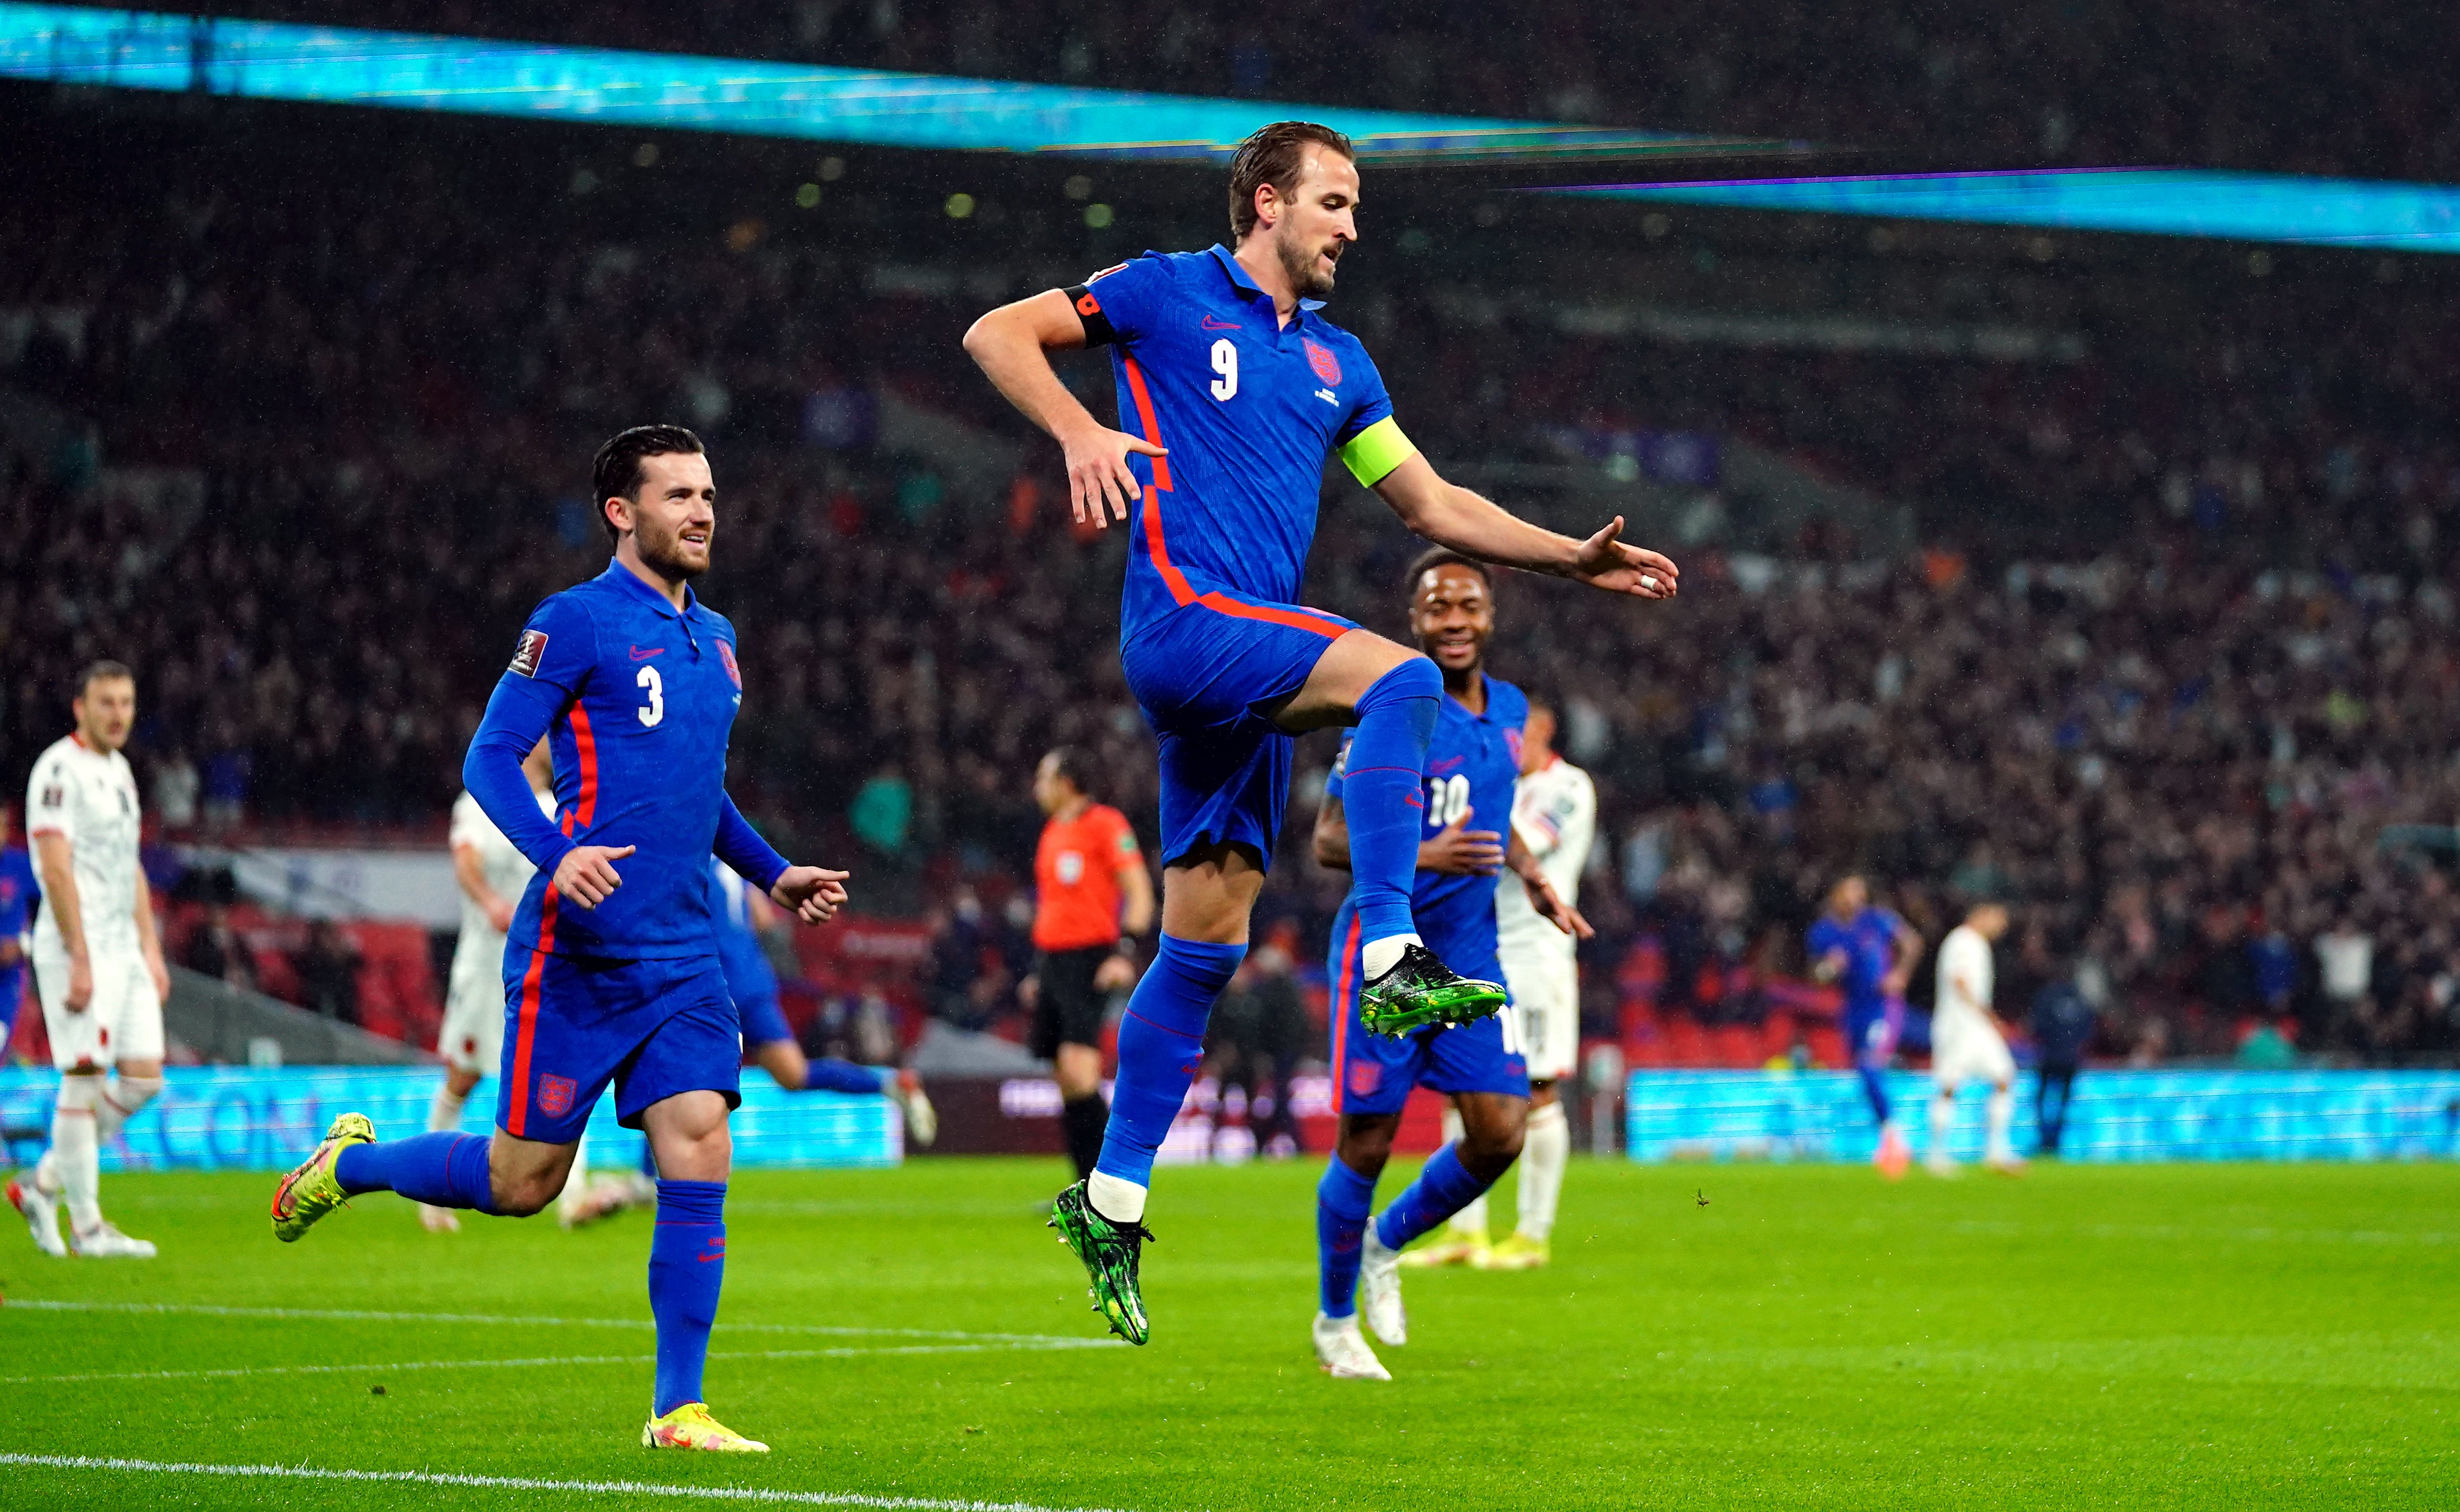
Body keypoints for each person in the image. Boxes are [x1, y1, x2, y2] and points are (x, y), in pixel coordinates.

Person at [963, 119, 1676, 1344]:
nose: (1351, 227)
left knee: (1202, 940)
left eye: (1355, 209)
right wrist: (1077, 431)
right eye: (1334, 203)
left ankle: (1109, 1197)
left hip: (1242, 671)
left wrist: (1567, 556)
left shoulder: (1340, 364)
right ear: (1265, 201)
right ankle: (1396, 954)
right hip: (1188, 621)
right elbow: (995, 332)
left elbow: (1430, 504)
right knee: (1402, 680)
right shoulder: (1164, 290)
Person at [267, 426, 853, 1453]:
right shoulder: (573, 623)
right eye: (678, 495)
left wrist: (773, 872)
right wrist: (555, 851)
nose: (702, 511)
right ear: (622, 512)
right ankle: (351, 1167)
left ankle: (679, 1407)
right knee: (520, 1186)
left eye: (708, 493)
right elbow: (489, 756)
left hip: (681, 953)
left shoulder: (715, 637)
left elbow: (700, 791)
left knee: (699, 1145)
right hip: (575, 954)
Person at [1308, 551, 1588, 1381]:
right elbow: (1327, 840)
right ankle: (1333, 1324)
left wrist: (1533, 877)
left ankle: (1384, 1243)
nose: (1455, 618)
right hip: (1386, 952)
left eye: (1468, 603)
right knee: (1368, 1140)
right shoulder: (1386, 714)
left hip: (1468, 952)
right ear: (1416, 619)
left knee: (1501, 1131)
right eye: (1438, 606)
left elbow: (1496, 819)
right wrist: (1429, 849)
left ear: (1490, 616)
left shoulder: (1508, 710)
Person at [1412, 689, 1597, 1271]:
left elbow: (1509, 846)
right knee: (1460, 1083)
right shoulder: (1503, 785)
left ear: (1542, 727)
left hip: (1536, 954)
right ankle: (1464, 1232)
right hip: (1478, 949)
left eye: (1514, 733)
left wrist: (1473, 794)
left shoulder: (1568, 788)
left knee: (1538, 1089)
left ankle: (1532, 1236)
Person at [7, 662, 168, 1258]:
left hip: (123, 947)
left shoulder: (121, 772)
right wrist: (79, 958)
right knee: (84, 1074)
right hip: (78, 946)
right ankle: (89, 1227)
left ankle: (43, 1183)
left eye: (126, 702)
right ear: (80, 707)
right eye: (106, 702)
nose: (119, 713)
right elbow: (52, 867)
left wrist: (151, 947)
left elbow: (130, 868)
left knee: (145, 1076)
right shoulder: (58, 770)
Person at [419, 736, 559, 1233]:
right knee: (465, 1074)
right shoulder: (483, 798)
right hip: (485, 964)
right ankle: (430, 1194)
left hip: (541, 964)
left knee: (559, 1072)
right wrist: (490, 902)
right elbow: (465, 863)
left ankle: (573, 1195)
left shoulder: (560, 806)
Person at [709, 857, 936, 1143]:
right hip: (752, 984)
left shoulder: (686, 862)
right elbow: (765, 920)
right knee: (795, 1075)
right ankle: (890, 1083)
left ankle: (650, 1175)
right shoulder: (733, 864)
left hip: (714, 985)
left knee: (678, 1078)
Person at [1025, 746, 1154, 1184]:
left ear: (1066, 783)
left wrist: (1124, 949)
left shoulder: (1106, 824)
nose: (1036, 787)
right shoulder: (1051, 831)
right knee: (1065, 1076)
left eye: (1043, 778)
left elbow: (1138, 890)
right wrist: (1038, 970)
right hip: (1054, 963)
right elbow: (1055, 907)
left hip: (1090, 959)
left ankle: (1112, 1182)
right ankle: (1085, 1187)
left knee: (1081, 1072)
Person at [1808, 875, 1924, 1178]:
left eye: (1860, 891)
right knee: (1865, 1071)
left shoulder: (1878, 920)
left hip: (1883, 1007)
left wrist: (1900, 975)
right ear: (1836, 896)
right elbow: (1817, 975)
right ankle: (1891, 1138)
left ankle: (1894, 1139)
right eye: (1849, 892)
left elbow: (1912, 943)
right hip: (1852, 1011)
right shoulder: (1824, 932)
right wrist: (1830, 968)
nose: (1855, 898)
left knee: (1869, 1064)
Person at [1926, 901, 2024, 1177]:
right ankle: (1936, 1154)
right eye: (1999, 921)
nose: (2001, 929)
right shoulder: (1962, 941)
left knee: (2005, 1075)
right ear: (1983, 915)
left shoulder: (1976, 943)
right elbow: (1959, 980)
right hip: (1958, 1026)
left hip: (1975, 1027)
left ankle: (1995, 1151)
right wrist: (1988, 1015)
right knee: (1949, 1085)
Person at [2030, 969, 2098, 1155]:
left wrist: (2052, 1043)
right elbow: (2089, 1029)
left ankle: (2045, 1140)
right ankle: (2056, 1141)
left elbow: (2037, 1026)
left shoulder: (2046, 997)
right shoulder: (2081, 1000)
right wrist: (2073, 1047)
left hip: (2049, 1057)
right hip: (2070, 1059)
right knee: (2064, 1101)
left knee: (2042, 1100)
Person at [0, 812, 36, 1061]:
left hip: (7, 983)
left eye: (3, 825)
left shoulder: (20, 866)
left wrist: (24, 943)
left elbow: (58, 911)